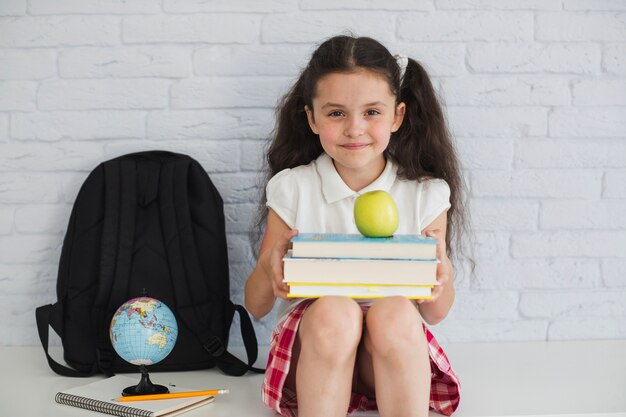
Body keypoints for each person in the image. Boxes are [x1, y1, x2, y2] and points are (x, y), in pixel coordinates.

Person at [245, 34, 468, 417]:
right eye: (336, 113)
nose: (354, 129)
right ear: (312, 118)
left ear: (397, 116)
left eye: (371, 112)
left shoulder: (426, 193)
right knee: (336, 310)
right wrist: (270, 267)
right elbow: (256, 304)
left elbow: (435, 313)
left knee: (396, 311)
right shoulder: (294, 187)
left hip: (382, 361)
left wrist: (440, 275)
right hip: (316, 351)